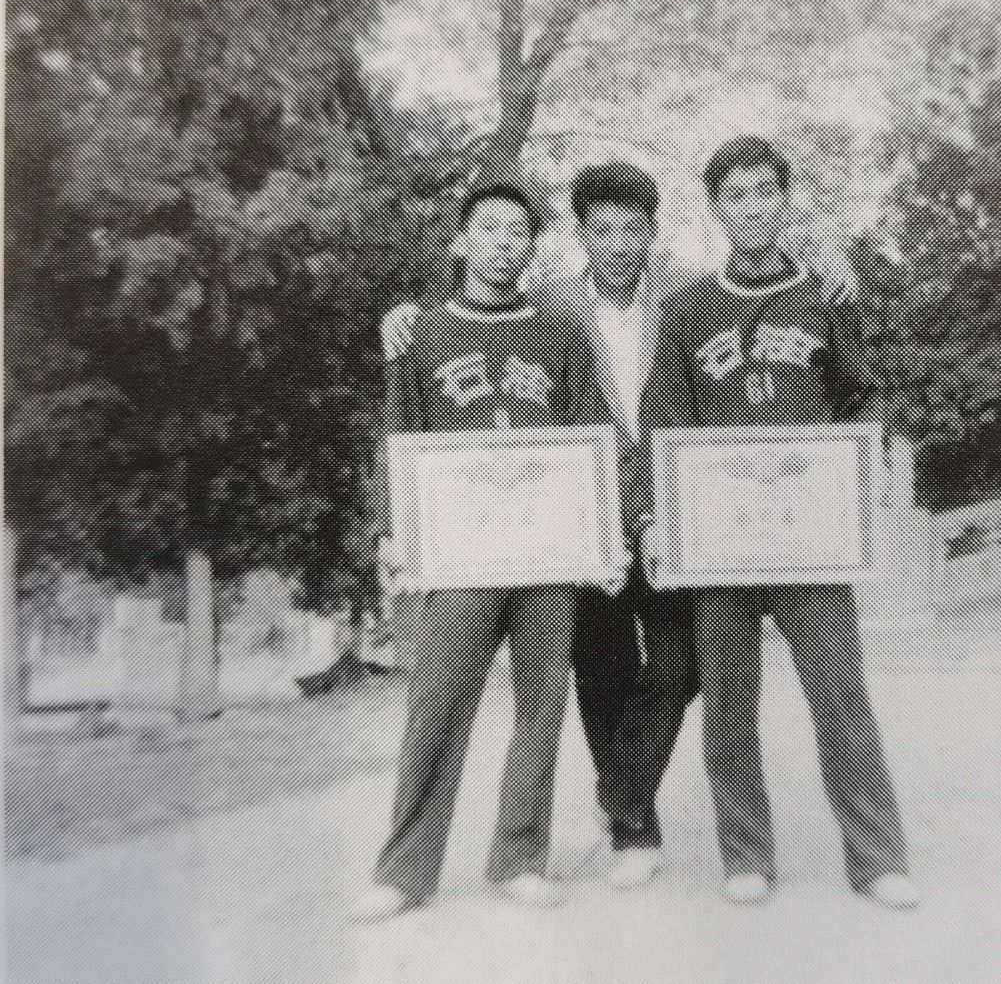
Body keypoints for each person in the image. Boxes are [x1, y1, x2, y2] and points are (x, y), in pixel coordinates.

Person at [381, 160, 860, 891]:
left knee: (684, 662)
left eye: (632, 229)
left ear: (653, 233)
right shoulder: (550, 310)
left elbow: (772, 320)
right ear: (577, 235)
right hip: (577, 516)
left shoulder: (688, 299)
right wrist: (406, 320)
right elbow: (463, 364)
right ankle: (630, 831)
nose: (617, 244)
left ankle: (621, 795)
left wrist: (834, 276)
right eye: (600, 230)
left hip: (678, 508)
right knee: (596, 669)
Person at [636, 135, 920, 910]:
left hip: (809, 530)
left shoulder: (827, 295)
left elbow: (860, 393)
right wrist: (654, 516)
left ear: (785, 200)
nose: (753, 207)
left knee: (840, 692)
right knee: (729, 701)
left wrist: (873, 456)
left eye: (766, 191)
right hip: (721, 535)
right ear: (716, 209)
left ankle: (877, 857)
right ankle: (746, 853)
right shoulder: (685, 311)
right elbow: (662, 421)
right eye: (736, 195)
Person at [351, 183, 626, 922]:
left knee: (541, 704)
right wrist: (393, 531)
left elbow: (593, 437)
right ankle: (404, 870)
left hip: (545, 547)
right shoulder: (422, 331)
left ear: (532, 248)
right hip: (461, 552)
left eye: (516, 232)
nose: (502, 242)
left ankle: (519, 856)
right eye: (488, 228)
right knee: (438, 702)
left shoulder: (563, 332)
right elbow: (398, 438)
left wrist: (601, 535)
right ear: (461, 242)